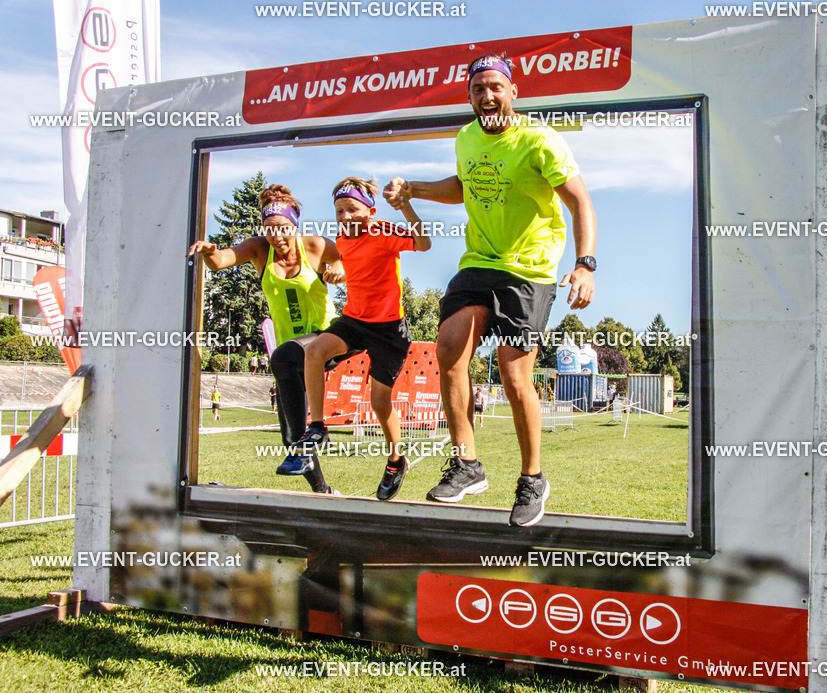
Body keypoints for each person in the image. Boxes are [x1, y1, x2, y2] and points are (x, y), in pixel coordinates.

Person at [385, 53, 597, 527]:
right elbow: (463, 186)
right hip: (478, 262)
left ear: (513, 92)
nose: (487, 96)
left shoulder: (539, 140)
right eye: (478, 89)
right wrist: (414, 190)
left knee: (514, 374)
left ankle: (532, 478)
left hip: (530, 269)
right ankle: (467, 464)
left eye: (495, 87)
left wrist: (585, 265)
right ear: (470, 97)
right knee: (448, 351)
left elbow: (581, 201)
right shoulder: (466, 137)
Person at [188, 184, 344, 495]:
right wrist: (209, 253)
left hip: (327, 338)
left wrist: (339, 269)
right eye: (270, 229)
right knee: (289, 436)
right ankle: (323, 491)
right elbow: (221, 261)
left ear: (295, 226)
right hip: (292, 354)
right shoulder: (260, 249)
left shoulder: (314, 246)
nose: (277, 237)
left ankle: (310, 436)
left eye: (283, 229)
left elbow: (347, 260)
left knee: (284, 357)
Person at [289, 177, 431, 502]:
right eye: (339, 211)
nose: (344, 217)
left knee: (379, 404)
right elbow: (344, 255)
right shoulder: (342, 236)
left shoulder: (383, 231)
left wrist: (406, 206)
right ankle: (318, 426)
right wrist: (336, 265)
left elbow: (423, 245)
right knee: (314, 352)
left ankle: (396, 462)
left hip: (390, 330)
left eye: (352, 209)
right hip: (354, 320)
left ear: (371, 211)